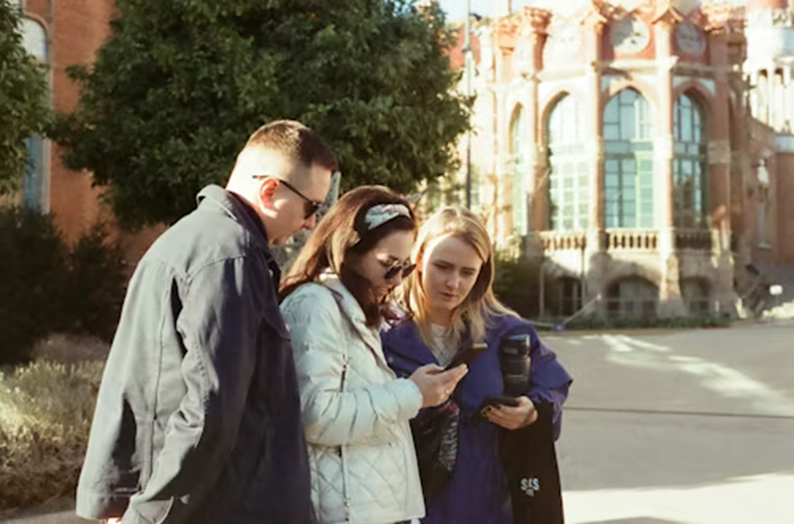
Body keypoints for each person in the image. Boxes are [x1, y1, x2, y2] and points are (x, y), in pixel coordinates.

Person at [76, 120, 338, 524]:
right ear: (269, 191)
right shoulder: (228, 258)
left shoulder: (199, 241)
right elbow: (209, 412)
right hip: (216, 508)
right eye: (311, 208)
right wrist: (147, 515)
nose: (310, 224)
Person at [279, 187, 468, 524]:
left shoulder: (354, 310)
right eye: (387, 266)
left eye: (404, 268)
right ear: (349, 251)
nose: (395, 280)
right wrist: (412, 394)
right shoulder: (315, 305)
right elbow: (315, 416)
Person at [381, 206, 573, 524]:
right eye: (442, 266)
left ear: (482, 273)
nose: (453, 283)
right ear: (418, 259)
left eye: (467, 272)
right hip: (406, 501)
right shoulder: (383, 331)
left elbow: (553, 386)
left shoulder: (508, 331)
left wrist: (532, 411)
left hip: (489, 501)